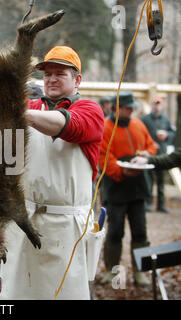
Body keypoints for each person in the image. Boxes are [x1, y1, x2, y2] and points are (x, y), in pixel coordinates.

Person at [0, 46, 104, 300]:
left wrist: (20, 114)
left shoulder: (90, 110)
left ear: (77, 79)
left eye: (60, 73)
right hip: (25, 224)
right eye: (47, 74)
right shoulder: (33, 105)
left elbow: (67, 124)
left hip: (67, 229)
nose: (51, 79)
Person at [98, 91, 156, 286]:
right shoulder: (106, 128)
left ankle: (141, 272)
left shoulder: (139, 124)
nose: (131, 110)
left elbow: (151, 147)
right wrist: (121, 172)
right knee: (115, 232)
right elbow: (104, 158)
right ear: (116, 108)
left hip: (138, 189)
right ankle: (111, 271)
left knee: (140, 232)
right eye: (127, 107)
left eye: (132, 107)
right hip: (115, 190)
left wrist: (147, 154)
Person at [141, 96, 175, 213]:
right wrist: (150, 144)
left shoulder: (165, 119)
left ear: (162, 105)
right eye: (155, 103)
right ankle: (148, 203)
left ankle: (161, 204)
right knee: (148, 180)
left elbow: (172, 133)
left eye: (159, 103)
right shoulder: (145, 119)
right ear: (152, 105)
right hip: (149, 154)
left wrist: (167, 135)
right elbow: (140, 134)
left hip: (162, 154)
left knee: (161, 181)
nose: (157, 106)